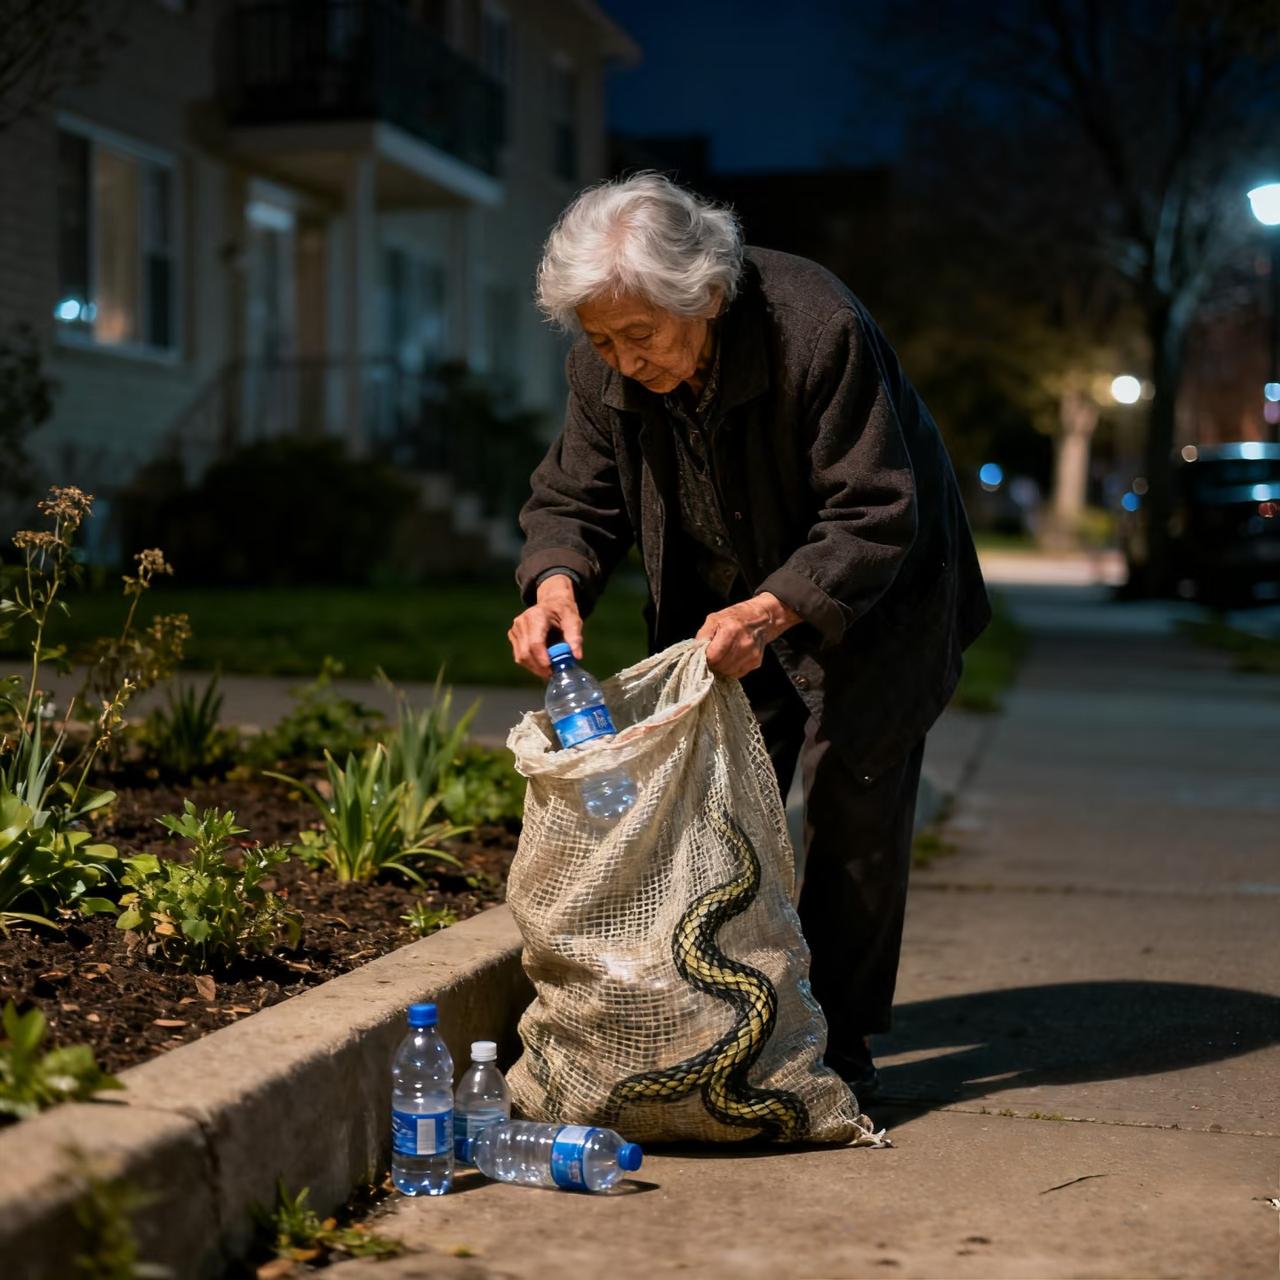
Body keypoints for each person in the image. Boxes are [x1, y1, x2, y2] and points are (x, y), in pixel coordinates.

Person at [507, 173, 990, 1098]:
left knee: (853, 803)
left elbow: (875, 510)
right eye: (600, 338)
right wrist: (555, 579)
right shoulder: (605, 363)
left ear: (707, 295)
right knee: (717, 796)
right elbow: (576, 493)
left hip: (876, 592)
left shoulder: (818, 329)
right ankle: (728, 1012)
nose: (620, 357)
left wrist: (775, 609)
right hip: (724, 604)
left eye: (638, 335)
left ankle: (837, 1044)